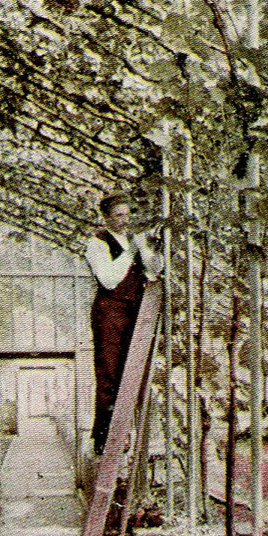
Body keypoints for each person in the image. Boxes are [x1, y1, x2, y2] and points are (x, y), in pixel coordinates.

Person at [85, 193, 162, 455]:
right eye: (118, 215)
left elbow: (152, 271)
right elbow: (108, 279)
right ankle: (103, 439)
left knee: (133, 372)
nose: (124, 220)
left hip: (134, 311)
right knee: (109, 373)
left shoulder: (132, 242)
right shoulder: (97, 243)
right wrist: (131, 251)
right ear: (105, 217)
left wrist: (151, 250)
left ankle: (129, 435)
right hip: (110, 312)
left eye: (127, 215)